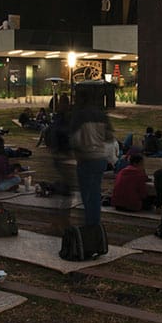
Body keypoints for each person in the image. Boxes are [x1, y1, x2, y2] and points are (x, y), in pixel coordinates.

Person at [70, 90, 113, 226]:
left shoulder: (79, 116)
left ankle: (89, 223)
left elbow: (74, 138)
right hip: (100, 157)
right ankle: (95, 222)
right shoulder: (102, 115)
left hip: (85, 157)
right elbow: (109, 137)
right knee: (95, 192)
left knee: (86, 193)